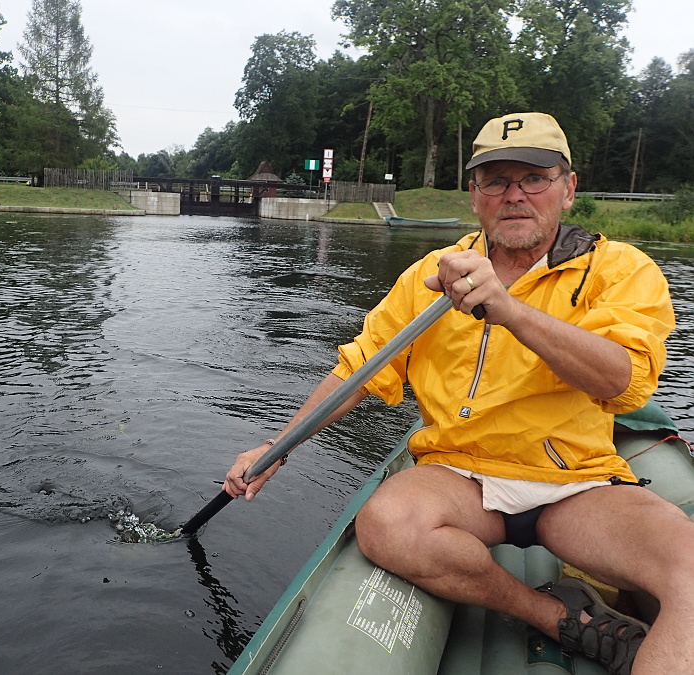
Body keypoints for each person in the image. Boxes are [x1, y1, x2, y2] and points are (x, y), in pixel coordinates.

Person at [223, 112, 694, 675]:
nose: (514, 196)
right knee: (386, 524)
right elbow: (359, 368)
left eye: (534, 178)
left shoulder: (621, 270)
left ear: (568, 189)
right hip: (459, 475)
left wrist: (511, 310)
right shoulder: (430, 276)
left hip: (575, 482)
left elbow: (622, 381)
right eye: (496, 181)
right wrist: (276, 447)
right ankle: (553, 617)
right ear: (475, 195)